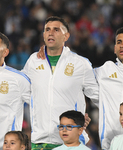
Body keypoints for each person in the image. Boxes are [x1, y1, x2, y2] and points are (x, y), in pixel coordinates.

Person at [37, 26, 123, 149]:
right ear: (114, 48)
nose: (122, 45)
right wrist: (49, 52)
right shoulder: (104, 71)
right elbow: (75, 72)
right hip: (111, 145)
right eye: (119, 42)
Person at [23, 16, 99, 149]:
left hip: (71, 142)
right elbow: (22, 91)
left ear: (66, 36)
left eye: (56, 30)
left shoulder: (80, 64)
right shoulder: (33, 61)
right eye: (47, 30)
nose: (50, 33)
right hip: (40, 142)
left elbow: (99, 97)